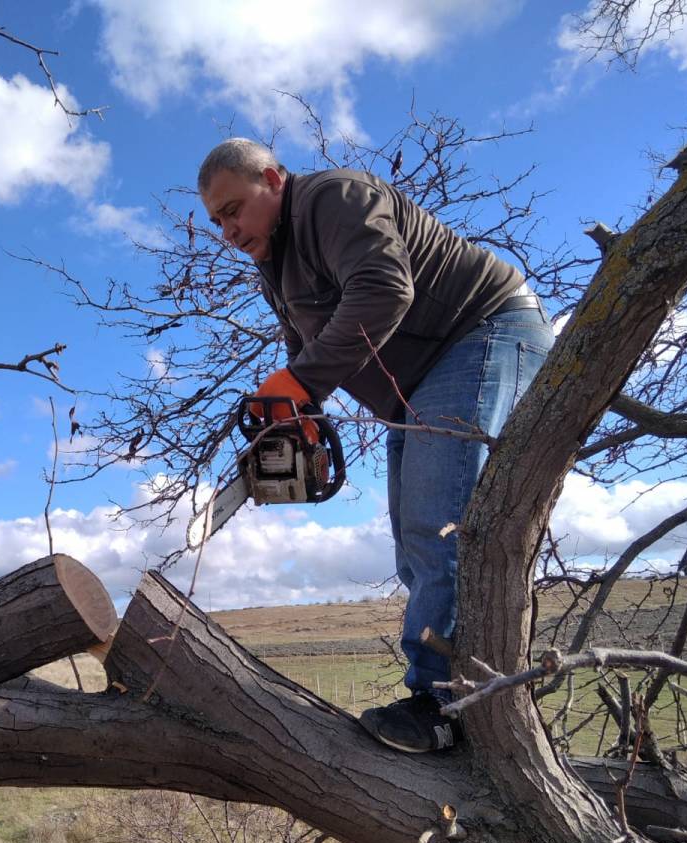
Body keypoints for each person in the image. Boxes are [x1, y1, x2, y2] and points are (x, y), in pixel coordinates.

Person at [198, 138, 554, 753]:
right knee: (413, 549)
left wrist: (299, 385)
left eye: (234, 209)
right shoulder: (273, 265)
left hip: (482, 331)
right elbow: (301, 352)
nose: (227, 230)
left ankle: (449, 707)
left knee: (437, 527)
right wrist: (297, 413)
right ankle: (448, 694)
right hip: (416, 381)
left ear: (275, 178)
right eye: (216, 221)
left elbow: (385, 290)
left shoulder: (335, 198)